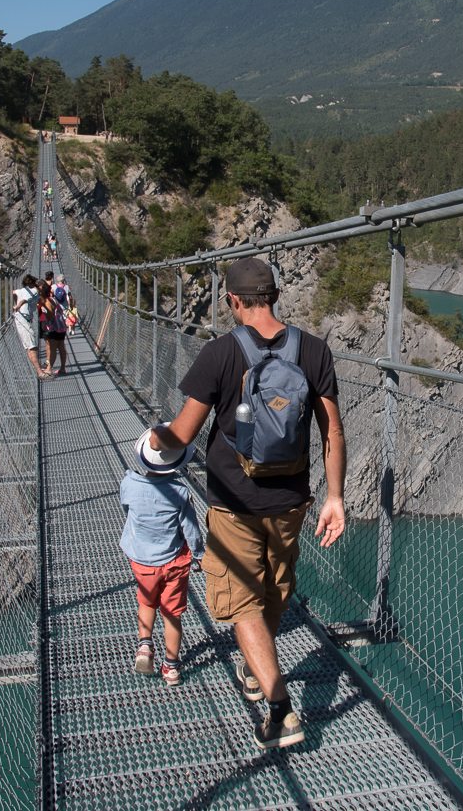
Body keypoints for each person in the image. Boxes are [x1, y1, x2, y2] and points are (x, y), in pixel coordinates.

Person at [147, 257, 345, 750]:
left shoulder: (219, 353)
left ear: (233, 301)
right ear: (275, 295)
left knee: (243, 605)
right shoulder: (315, 351)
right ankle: (256, 673)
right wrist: (335, 496)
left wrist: (153, 440)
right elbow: (333, 431)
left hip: (234, 501)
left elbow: (181, 437)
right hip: (292, 499)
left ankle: (281, 712)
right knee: (275, 590)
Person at [120, 428, 204, 686]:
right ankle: (171, 667)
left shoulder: (129, 483)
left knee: (146, 603)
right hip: (174, 562)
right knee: (172, 614)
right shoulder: (179, 493)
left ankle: (144, 646)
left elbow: (126, 508)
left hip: (142, 561)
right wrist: (199, 554)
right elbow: (190, 528)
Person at [12, 274, 49, 379]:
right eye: (43, 288)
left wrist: (15, 302)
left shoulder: (25, 290)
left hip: (23, 318)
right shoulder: (34, 292)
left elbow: (14, 292)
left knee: (31, 345)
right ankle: (40, 372)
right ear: (40, 287)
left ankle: (39, 370)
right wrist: (17, 306)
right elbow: (25, 300)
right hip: (22, 319)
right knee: (32, 346)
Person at [40, 275, 67, 376]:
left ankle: (49, 369)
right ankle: (63, 369)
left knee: (53, 348)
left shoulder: (47, 301)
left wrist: (44, 312)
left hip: (55, 327)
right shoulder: (52, 299)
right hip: (61, 326)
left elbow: (50, 316)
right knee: (61, 347)